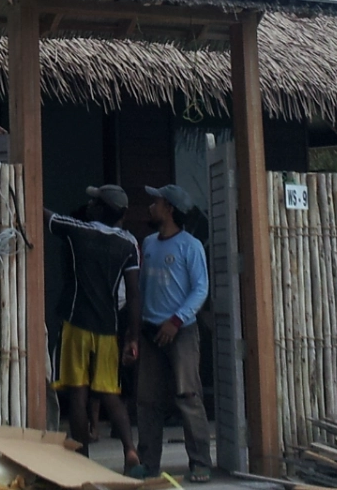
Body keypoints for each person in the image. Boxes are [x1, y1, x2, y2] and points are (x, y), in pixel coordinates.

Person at [47, 185, 142, 471]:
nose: (89, 204)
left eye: (94, 201)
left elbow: (46, 217)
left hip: (77, 323)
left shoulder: (78, 230)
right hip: (108, 328)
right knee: (110, 393)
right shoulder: (128, 244)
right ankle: (130, 452)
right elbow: (135, 294)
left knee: (78, 393)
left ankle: (83, 459)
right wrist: (132, 338)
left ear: (102, 209)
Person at [128, 184, 213, 483]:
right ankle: (149, 462)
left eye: (157, 203)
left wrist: (176, 320)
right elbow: (140, 292)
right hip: (151, 331)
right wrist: (135, 334)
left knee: (188, 396)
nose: (151, 207)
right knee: (147, 400)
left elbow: (200, 289)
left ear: (170, 209)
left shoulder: (191, 246)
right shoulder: (149, 243)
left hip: (181, 332)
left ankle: (201, 462)